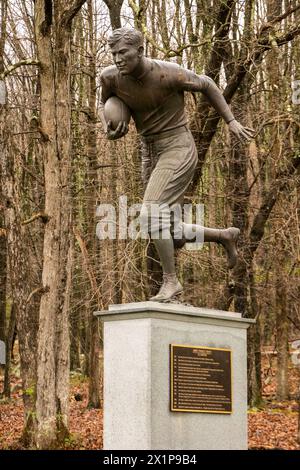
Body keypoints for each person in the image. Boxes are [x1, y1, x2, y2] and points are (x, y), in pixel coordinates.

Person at [100, 28, 255, 302]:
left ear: (140, 51)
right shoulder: (110, 77)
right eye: (114, 54)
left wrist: (231, 121)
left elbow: (207, 83)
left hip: (178, 146)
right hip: (149, 151)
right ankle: (223, 236)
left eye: (123, 52)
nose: (118, 58)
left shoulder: (167, 73)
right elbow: (107, 104)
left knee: (150, 213)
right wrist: (109, 126)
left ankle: (171, 282)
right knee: (165, 227)